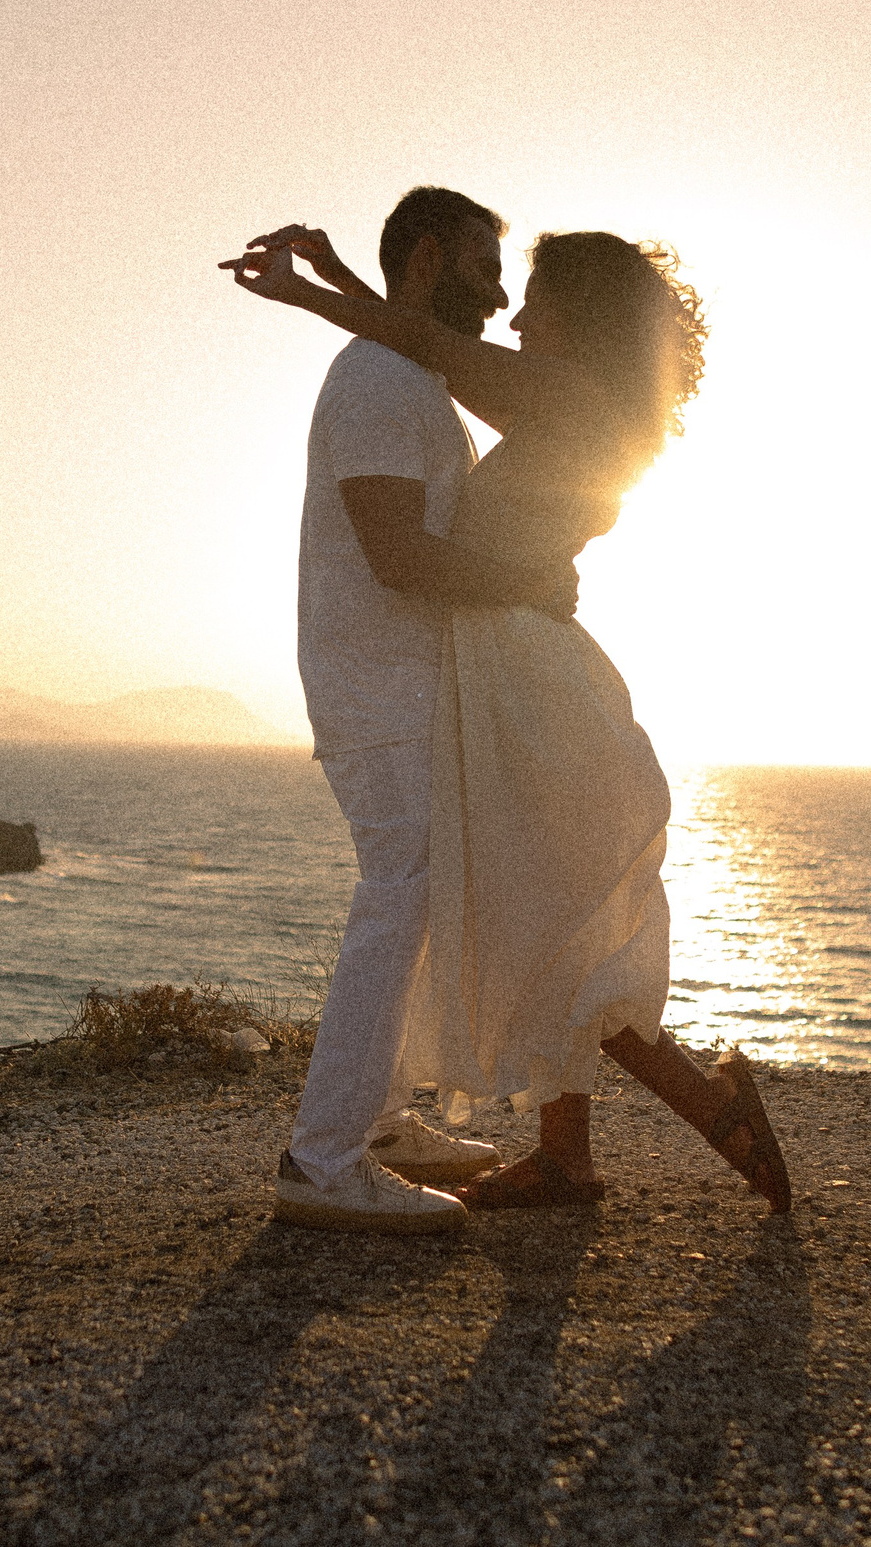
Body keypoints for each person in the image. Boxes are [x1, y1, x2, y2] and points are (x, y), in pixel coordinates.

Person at [224, 208, 792, 1219]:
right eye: (502, 284)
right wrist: (342, 275)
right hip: (503, 662)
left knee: (551, 918)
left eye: (533, 297)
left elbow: (425, 340)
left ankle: (700, 1109)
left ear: (578, 317)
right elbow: (416, 344)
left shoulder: (566, 395)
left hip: (524, 669)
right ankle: (570, 1151)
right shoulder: (567, 400)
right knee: (546, 916)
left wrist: (307, 289)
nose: (514, 312)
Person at [258, 188, 582, 1235]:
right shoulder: (378, 380)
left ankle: (382, 1126)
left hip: (403, 684)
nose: (498, 297)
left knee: (414, 896)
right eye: (488, 269)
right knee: (399, 895)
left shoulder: (406, 372)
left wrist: (338, 283)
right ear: (434, 256)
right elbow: (396, 554)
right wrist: (526, 580)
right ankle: (322, 1160)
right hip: (379, 684)